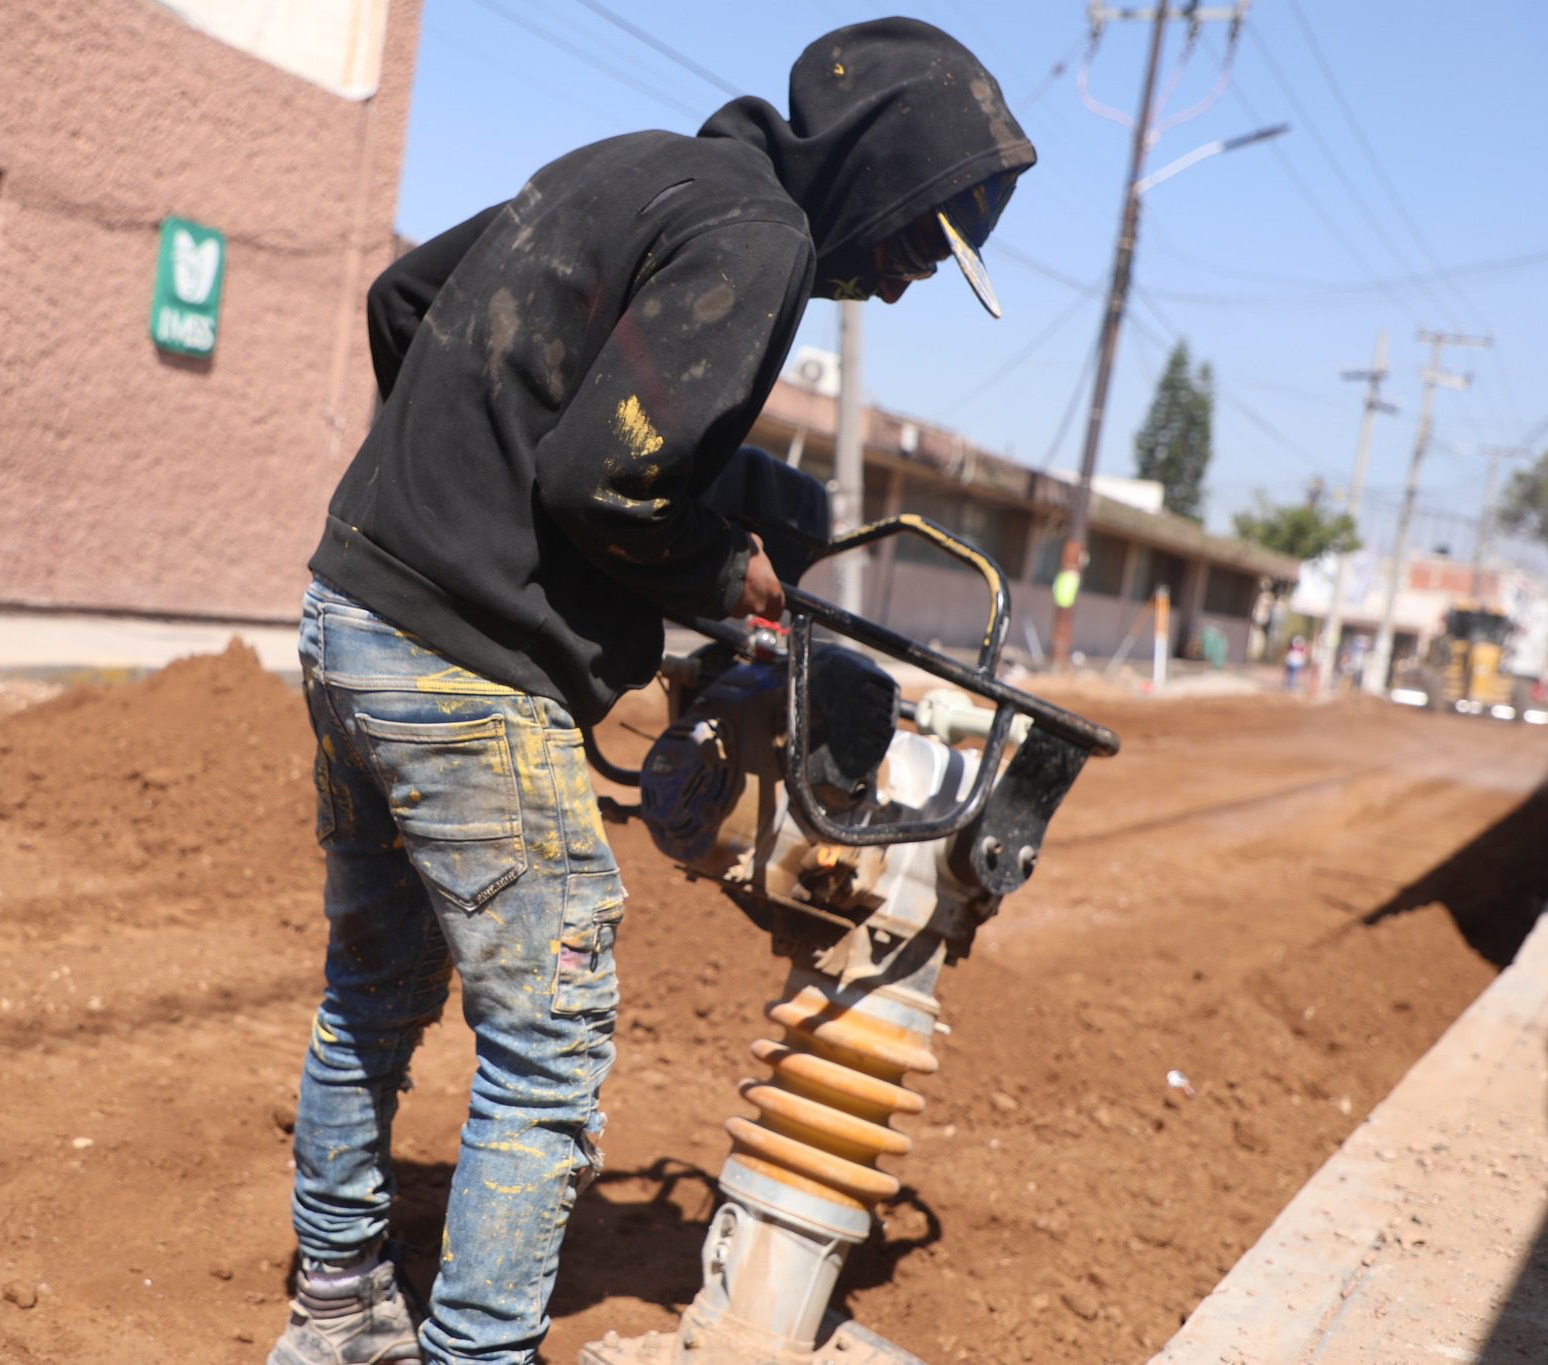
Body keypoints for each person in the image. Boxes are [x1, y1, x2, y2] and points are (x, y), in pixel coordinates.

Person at [271, 19, 1035, 1364]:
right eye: (920, 239)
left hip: (348, 617)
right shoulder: (763, 239)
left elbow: (406, 298)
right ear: (868, 170)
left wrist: (447, 503)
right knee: (546, 1051)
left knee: (372, 991)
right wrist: (724, 568)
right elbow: (601, 482)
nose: (908, 280)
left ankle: (335, 1313)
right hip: (463, 671)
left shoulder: (628, 167)